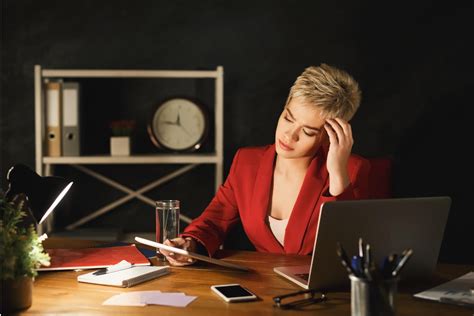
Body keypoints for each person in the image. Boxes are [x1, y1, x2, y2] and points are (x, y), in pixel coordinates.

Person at [162, 63, 371, 266]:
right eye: (288, 118)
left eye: (307, 131)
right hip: (264, 288)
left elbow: (350, 247)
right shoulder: (247, 162)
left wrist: (337, 175)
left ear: (329, 136)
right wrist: (190, 243)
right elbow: (215, 219)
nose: (290, 135)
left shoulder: (351, 170)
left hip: (327, 294)